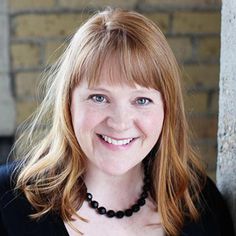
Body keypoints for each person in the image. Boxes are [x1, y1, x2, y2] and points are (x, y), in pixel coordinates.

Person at [0, 7, 234, 236]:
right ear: (68, 103)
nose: (120, 122)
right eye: (99, 97)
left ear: (167, 108)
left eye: (142, 100)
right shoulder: (6, 203)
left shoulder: (200, 204)